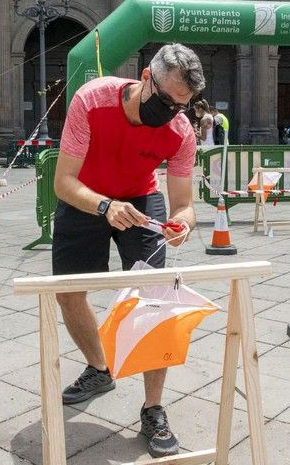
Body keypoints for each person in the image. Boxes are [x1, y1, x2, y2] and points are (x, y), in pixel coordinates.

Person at [52, 43, 203, 458]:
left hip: (140, 198)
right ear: (145, 78)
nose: (173, 111)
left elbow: (184, 205)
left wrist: (183, 224)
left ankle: (153, 407)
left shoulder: (180, 132)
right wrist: (103, 205)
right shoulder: (92, 100)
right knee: (68, 293)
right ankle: (99, 369)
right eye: (168, 99)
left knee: (156, 298)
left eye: (183, 104)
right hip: (86, 196)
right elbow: (62, 181)